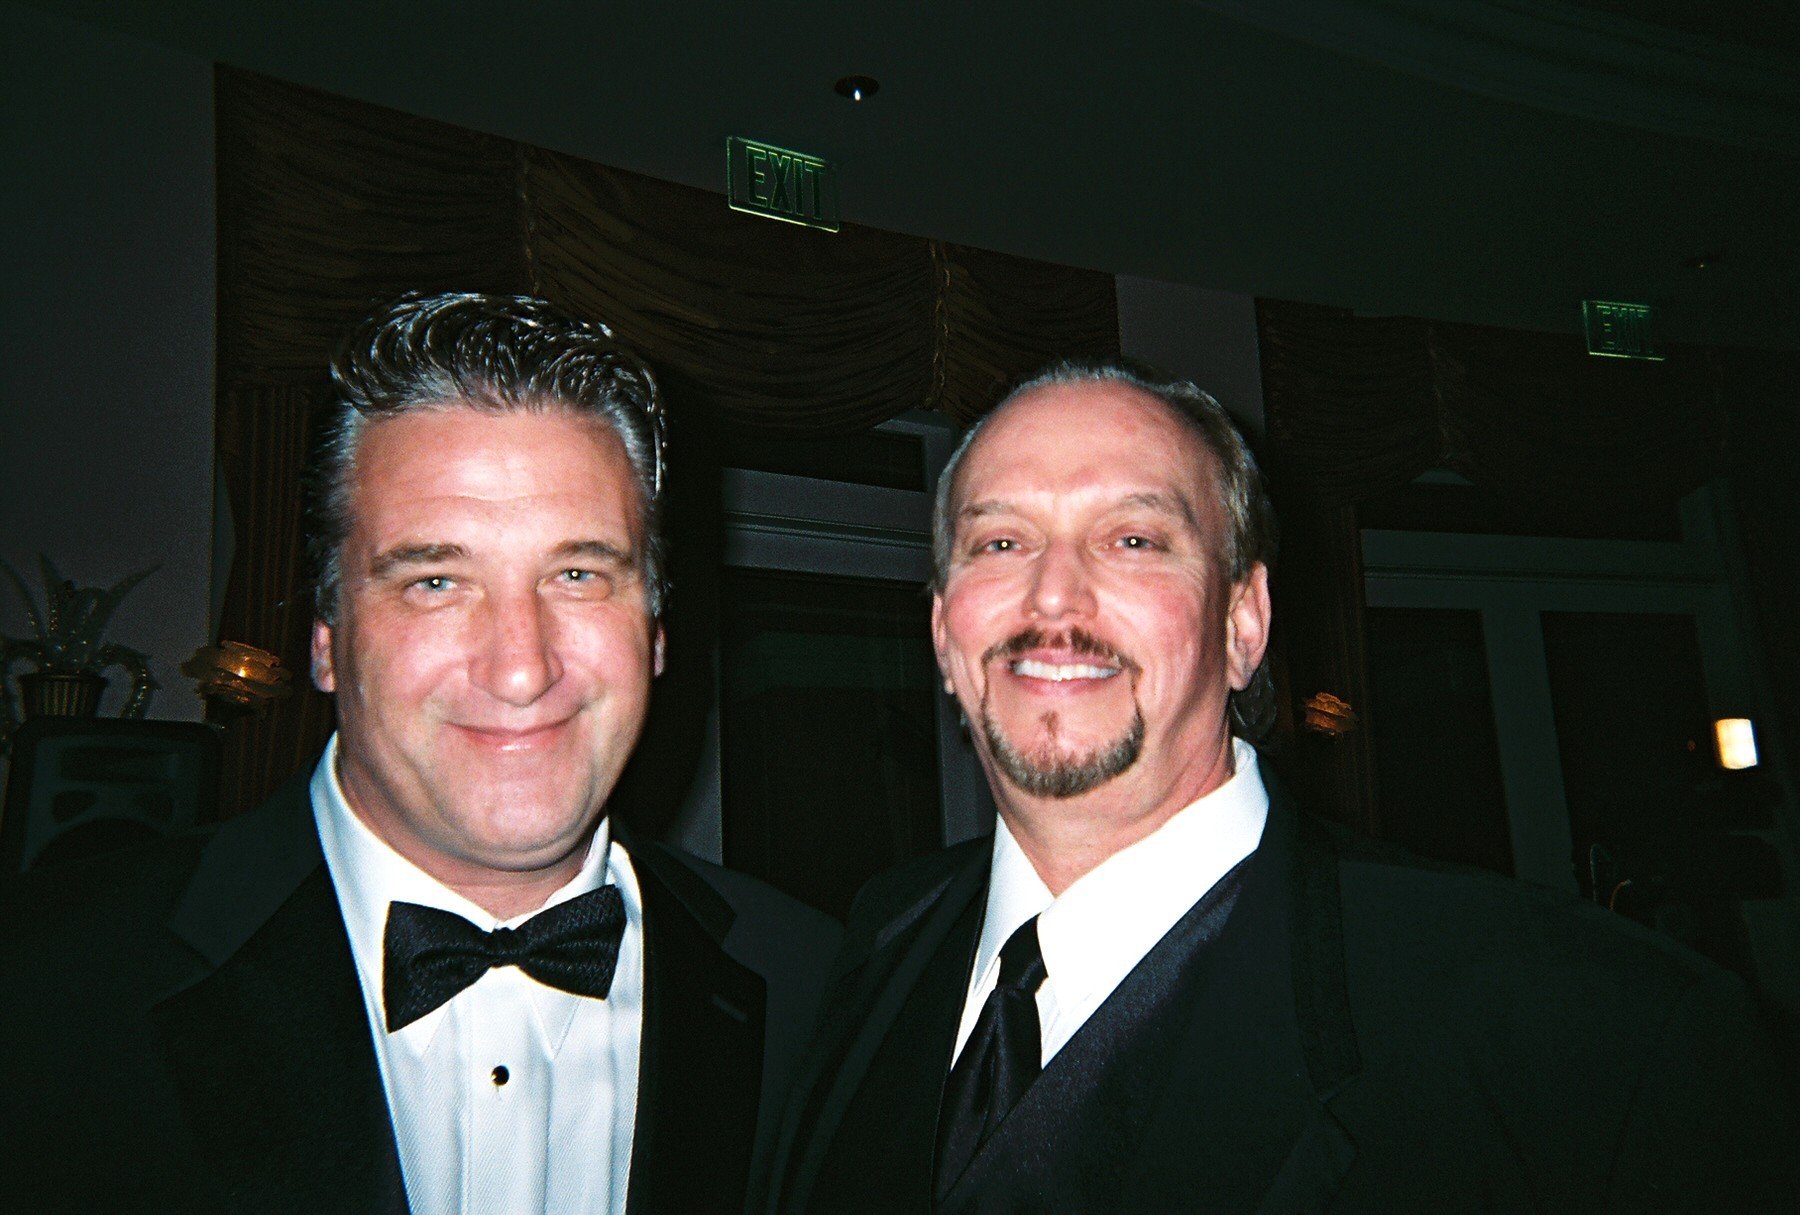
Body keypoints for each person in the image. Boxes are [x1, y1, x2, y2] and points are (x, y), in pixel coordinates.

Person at [760, 359, 1797, 1213]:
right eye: (999, 542)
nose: (1054, 594)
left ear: (1243, 624)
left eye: (1133, 539)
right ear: (945, 633)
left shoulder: (1592, 1037)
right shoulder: (872, 944)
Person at [0, 292, 839, 1215]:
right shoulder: (45, 988)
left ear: (658, 632)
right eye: (436, 580)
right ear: (327, 634)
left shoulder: (818, 990)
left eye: (579, 574)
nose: (521, 668)